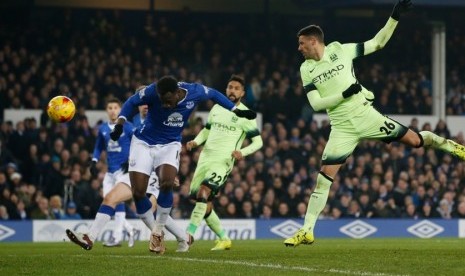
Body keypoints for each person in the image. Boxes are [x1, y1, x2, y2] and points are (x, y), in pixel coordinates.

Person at [284, 0, 465, 247]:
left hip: (366, 116)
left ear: (314, 41)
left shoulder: (341, 50)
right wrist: (346, 93)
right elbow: (316, 104)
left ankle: (451, 146)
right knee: (323, 178)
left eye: (302, 43)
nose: (299, 48)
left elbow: (377, 43)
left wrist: (395, 16)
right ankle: (306, 230)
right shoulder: (306, 69)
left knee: (416, 141)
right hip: (342, 128)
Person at [110, 75, 256, 254]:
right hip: (144, 142)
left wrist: (235, 109)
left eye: (168, 100)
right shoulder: (152, 91)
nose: (165, 105)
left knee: (166, 184)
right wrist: (120, 123)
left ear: (178, 93)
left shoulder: (194, 91)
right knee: (138, 193)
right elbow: (131, 103)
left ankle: (157, 233)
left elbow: (214, 94)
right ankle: (170, 235)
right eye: (162, 101)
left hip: (170, 143)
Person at [66, 98, 191, 252]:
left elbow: (170, 148)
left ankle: (174, 238)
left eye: (149, 103)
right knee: (110, 198)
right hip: (133, 171)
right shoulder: (132, 124)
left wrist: (169, 175)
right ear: (137, 106)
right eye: (143, 103)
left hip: (154, 173)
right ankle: (90, 237)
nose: (146, 106)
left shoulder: (160, 122)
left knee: (152, 210)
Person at [185, 75, 263, 250]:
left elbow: (259, 142)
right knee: (204, 204)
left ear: (242, 93)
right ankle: (224, 238)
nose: (232, 91)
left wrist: (242, 152)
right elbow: (207, 131)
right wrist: (195, 142)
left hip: (223, 161)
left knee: (204, 193)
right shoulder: (217, 108)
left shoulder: (245, 115)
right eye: (230, 87)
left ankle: (188, 234)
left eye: (236, 88)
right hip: (205, 158)